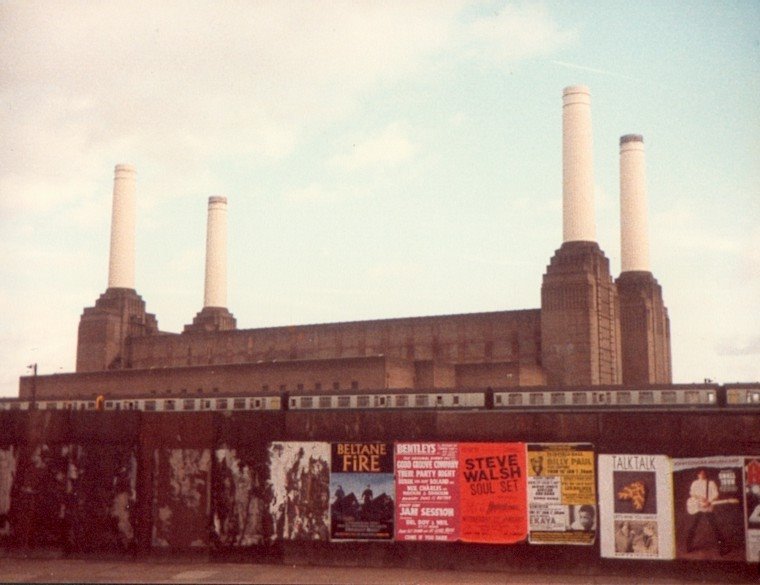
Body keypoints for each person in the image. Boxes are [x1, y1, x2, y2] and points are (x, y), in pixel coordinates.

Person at [685, 469, 728, 555]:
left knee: (715, 527)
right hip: (697, 507)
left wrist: (709, 501)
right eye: (700, 473)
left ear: (706, 474)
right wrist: (699, 498)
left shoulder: (711, 483)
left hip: (708, 507)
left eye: (703, 473)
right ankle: (688, 547)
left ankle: (722, 549)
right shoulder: (694, 483)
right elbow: (692, 493)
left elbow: (716, 494)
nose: (702, 474)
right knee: (693, 526)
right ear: (697, 474)